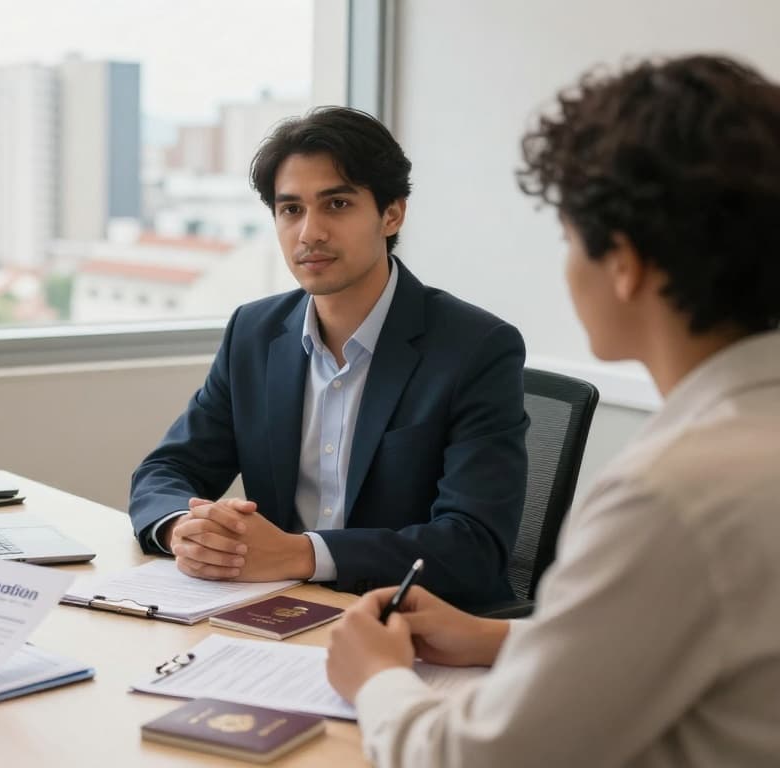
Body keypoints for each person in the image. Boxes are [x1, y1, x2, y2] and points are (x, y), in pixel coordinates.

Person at [324, 55, 780, 767]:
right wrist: (501, 639)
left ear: (623, 263)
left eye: (567, 238)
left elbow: (476, 760)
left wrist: (375, 679)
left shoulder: (672, 496)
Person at [128, 107, 529, 607]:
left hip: (414, 624)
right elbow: (166, 470)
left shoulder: (475, 348)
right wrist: (184, 529)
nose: (309, 233)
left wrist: (302, 555)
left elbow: (472, 546)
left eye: (336, 204)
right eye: (290, 209)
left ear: (391, 213)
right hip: (277, 610)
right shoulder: (254, 333)